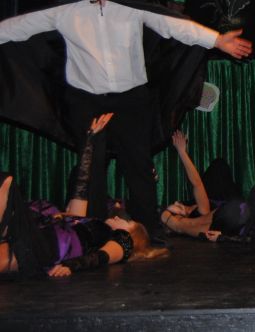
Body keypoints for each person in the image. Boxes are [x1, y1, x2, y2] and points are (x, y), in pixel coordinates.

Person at [0, 0, 252, 240]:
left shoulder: (131, 6)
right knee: (91, 167)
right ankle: (92, 233)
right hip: (86, 100)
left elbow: (173, 26)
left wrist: (217, 40)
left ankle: (148, 232)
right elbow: (19, 26)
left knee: (138, 166)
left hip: (130, 99)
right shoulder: (65, 10)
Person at [1, 113, 167, 279]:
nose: (119, 217)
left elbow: (101, 257)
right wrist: (90, 141)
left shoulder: (123, 240)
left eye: (128, 221)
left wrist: (70, 266)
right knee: (6, 182)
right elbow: (81, 190)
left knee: (7, 182)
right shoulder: (89, 222)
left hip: (48, 247)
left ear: (132, 234)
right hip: (38, 235)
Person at [159, 130, 249, 242]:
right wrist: (182, 152)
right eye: (173, 211)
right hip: (235, 213)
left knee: (219, 165)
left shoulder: (196, 206)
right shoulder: (200, 212)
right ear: (180, 215)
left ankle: (176, 224)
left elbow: (198, 184)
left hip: (233, 208)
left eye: (173, 205)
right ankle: (177, 224)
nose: (175, 203)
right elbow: (197, 183)